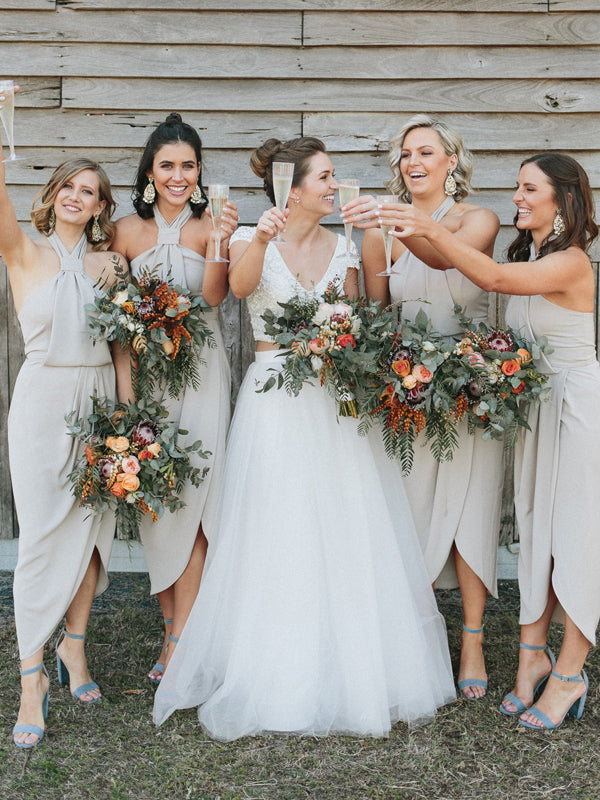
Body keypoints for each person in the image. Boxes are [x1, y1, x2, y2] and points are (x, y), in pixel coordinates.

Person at [153, 135, 456, 741]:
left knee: (343, 520)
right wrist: (262, 239)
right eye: (324, 176)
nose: (333, 185)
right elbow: (239, 292)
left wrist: (344, 336)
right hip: (274, 399)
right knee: (278, 522)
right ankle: (275, 662)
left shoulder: (345, 246)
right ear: (290, 190)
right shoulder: (251, 238)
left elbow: (358, 319)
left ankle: (348, 659)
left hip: (332, 400)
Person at [380, 152, 599, 730]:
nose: (517, 197)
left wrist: (428, 227)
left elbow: (493, 279)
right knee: (534, 531)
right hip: (536, 410)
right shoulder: (531, 256)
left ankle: (570, 675)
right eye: (517, 187)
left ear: (564, 200)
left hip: (576, 411)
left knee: (576, 538)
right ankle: (531, 659)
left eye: (530, 189)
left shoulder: (573, 262)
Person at [342, 115, 503, 700]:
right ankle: (413, 636)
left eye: (426, 152)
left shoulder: (477, 219)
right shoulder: (380, 234)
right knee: (408, 512)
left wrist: (397, 222)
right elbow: (379, 314)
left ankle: (472, 642)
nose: (413, 162)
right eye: (405, 154)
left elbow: (443, 260)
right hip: (409, 390)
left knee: (472, 511)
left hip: (471, 385)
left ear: (450, 162)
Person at [0, 92, 132, 747]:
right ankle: (31, 681)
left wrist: (127, 412)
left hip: (101, 399)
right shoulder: (23, 253)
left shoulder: (112, 265)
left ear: (103, 206)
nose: (78, 197)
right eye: (69, 187)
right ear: (52, 196)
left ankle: (73, 648)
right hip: (42, 402)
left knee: (92, 533)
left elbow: (124, 342)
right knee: (40, 538)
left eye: (91, 191)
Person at [111, 113, 236, 683]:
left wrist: (220, 242)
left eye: (188, 166)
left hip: (202, 371)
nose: (178, 176)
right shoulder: (123, 231)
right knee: (158, 499)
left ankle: (182, 641)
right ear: (150, 171)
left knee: (199, 500)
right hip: (148, 378)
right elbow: (115, 321)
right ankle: (173, 629)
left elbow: (214, 297)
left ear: (200, 170)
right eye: (167, 166)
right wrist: (126, 394)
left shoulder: (212, 223)